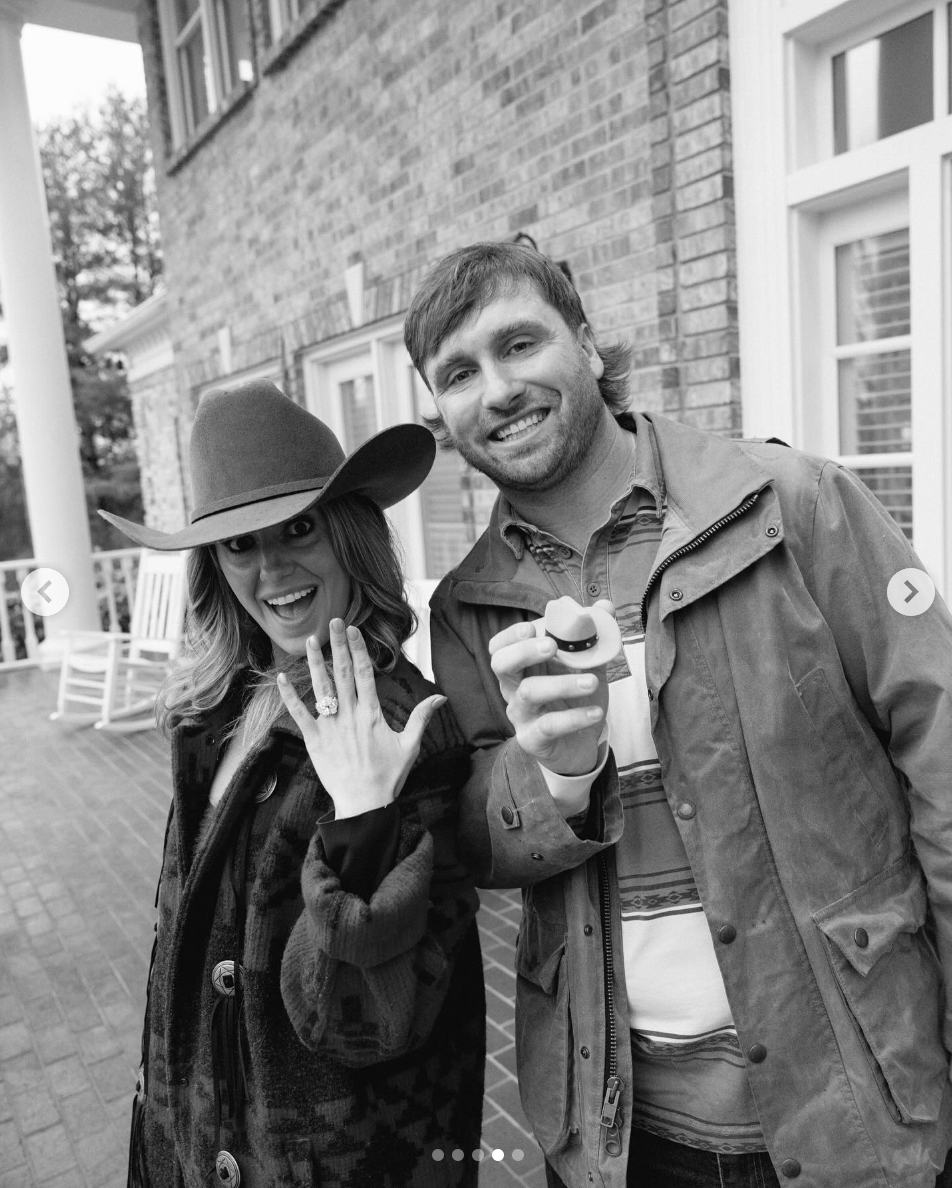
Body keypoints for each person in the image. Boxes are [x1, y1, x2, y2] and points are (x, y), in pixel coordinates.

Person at [402, 240, 952, 1188]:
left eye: (519, 343)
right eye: (458, 373)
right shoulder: (468, 608)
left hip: (857, 1099)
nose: (496, 389)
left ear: (584, 338)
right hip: (624, 1134)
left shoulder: (791, 504)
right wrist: (558, 775)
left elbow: (942, 755)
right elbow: (478, 848)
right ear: (442, 414)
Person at [101, 378, 484, 1188]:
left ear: (348, 532)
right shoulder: (219, 710)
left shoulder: (404, 727)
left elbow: (365, 1025)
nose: (272, 568)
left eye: (299, 528)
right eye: (240, 544)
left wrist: (363, 821)